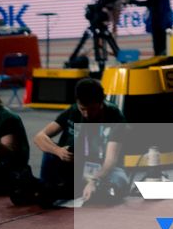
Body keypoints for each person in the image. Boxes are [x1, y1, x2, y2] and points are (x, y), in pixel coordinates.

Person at [31, 75, 127, 206]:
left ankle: (85, 190)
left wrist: (94, 180)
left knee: (119, 179)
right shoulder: (74, 111)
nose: (87, 114)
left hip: (101, 168)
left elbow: (111, 160)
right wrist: (58, 151)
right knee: (49, 151)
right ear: (77, 103)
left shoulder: (115, 116)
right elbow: (39, 137)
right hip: (75, 167)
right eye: (83, 109)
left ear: (101, 102)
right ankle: (48, 189)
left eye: (92, 109)